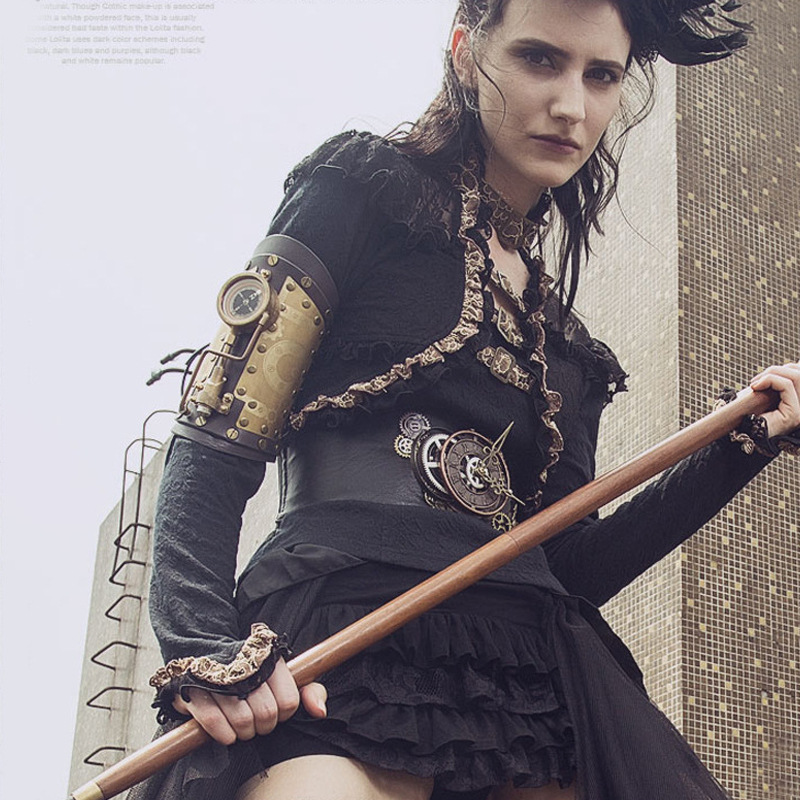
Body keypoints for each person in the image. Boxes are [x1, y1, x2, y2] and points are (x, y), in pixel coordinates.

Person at [135, 1, 800, 799]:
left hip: (526, 673)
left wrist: (737, 448)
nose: (571, 106)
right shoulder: (359, 192)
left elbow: (566, 564)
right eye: (540, 59)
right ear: (464, 51)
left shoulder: (568, 347)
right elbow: (216, 435)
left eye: (601, 76)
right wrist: (203, 642)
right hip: (340, 627)